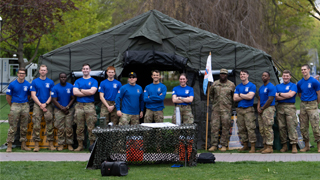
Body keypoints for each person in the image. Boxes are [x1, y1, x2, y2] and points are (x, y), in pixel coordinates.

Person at [208, 68, 235, 152]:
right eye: (222, 74)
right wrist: (214, 103)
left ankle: (223, 145)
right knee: (214, 127)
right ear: (219, 75)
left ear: (227, 75)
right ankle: (214, 145)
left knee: (225, 127)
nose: (223, 75)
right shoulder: (215, 84)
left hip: (226, 110)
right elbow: (211, 95)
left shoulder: (231, 85)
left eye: (225, 74)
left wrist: (229, 105)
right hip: (216, 109)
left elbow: (234, 97)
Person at [73, 63, 98, 151]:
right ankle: (80, 145)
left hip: (90, 106)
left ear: (90, 70)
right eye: (84, 69)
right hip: (79, 105)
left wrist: (81, 90)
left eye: (87, 68)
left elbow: (92, 92)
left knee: (91, 126)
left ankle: (91, 146)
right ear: (82, 70)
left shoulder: (94, 81)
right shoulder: (77, 81)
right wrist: (86, 92)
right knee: (79, 127)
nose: (85, 70)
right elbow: (75, 93)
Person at [5, 68, 31, 152]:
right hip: (15, 105)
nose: (21, 75)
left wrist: (24, 103)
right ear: (17, 74)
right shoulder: (12, 84)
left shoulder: (28, 84)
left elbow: (29, 96)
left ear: (25, 75)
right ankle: (9, 145)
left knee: (24, 126)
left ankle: (23, 145)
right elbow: (8, 96)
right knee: (13, 126)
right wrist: (12, 105)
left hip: (25, 105)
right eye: (20, 73)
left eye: (23, 73)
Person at [31, 64, 55, 152]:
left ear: (47, 71)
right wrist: (40, 104)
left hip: (48, 105)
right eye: (41, 70)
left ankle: (51, 145)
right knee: (36, 125)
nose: (43, 71)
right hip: (37, 105)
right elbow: (33, 95)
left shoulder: (51, 82)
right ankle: (36, 145)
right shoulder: (34, 82)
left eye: (44, 70)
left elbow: (52, 95)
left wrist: (45, 104)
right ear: (39, 71)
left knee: (49, 125)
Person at [297, 64, 320, 153]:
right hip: (303, 105)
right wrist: (304, 100)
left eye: (305, 69)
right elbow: (299, 94)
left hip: (312, 104)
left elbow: (319, 93)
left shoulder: (315, 82)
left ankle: (319, 145)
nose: (303, 71)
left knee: (315, 126)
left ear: (309, 70)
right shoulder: (300, 82)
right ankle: (307, 146)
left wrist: (316, 103)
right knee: (303, 127)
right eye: (302, 70)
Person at [233, 70, 257, 153]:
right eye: (241, 74)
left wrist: (240, 95)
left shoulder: (252, 86)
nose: (242, 76)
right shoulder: (238, 87)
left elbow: (250, 97)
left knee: (250, 128)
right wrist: (244, 96)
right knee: (241, 128)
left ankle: (253, 146)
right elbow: (235, 98)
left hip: (248, 110)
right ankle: (245, 145)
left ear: (248, 75)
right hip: (240, 109)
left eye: (244, 74)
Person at [275, 70, 299, 154]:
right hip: (280, 107)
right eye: (284, 76)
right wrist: (285, 95)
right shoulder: (278, 86)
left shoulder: (293, 85)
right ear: (282, 76)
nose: (285, 77)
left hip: (290, 107)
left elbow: (291, 95)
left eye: (287, 76)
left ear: (290, 77)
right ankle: (284, 145)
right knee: (282, 127)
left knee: (291, 126)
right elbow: (276, 97)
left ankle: (294, 145)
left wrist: (280, 94)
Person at [51, 73, 75, 151]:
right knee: (60, 128)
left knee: (69, 128)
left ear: (66, 78)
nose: (63, 78)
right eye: (61, 77)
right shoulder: (55, 87)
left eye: (64, 77)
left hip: (69, 109)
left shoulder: (71, 86)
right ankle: (61, 144)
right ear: (59, 78)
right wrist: (62, 108)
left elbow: (73, 98)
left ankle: (69, 144)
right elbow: (54, 100)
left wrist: (67, 107)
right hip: (59, 110)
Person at [257, 71, 276, 154]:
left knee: (268, 128)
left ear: (269, 77)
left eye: (265, 76)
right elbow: (259, 99)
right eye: (262, 75)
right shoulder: (261, 88)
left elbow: (270, 99)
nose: (263, 77)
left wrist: (262, 108)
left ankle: (270, 147)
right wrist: (258, 107)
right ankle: (264, 146)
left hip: (268, 108)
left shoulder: (271, 87)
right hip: (261, 109)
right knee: (262, 128)